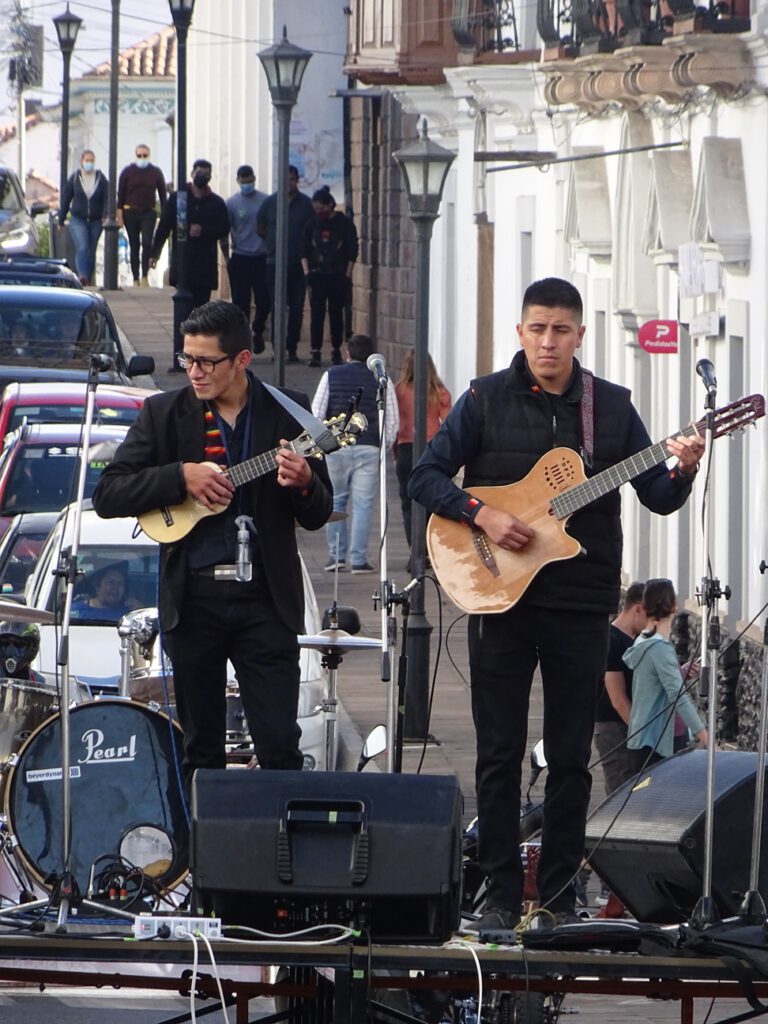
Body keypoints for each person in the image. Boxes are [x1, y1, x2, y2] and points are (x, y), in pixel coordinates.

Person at [408, 277, 705, 931]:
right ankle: (496, 892)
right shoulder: (483, 400)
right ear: (521, 332)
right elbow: (425, 474)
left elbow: (655, 492)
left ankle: (561, 895)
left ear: (579, 336)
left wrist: (683, 467)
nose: (549, 341)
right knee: (498, 751)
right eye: (538, 328)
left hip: (579, 603)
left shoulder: (612, 408)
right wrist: (480, 514)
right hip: (497, 601)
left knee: (571, 755)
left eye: (561, 330)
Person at [92, 299, 333, 783]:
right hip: (194, 597)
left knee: (280, 745)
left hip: (266, 598)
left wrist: (305, 480)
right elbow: (108, 493)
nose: (194, 372)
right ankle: (200, 857)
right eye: (187, 359)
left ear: (242, 360)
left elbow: (318, 512)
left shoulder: (289, 412)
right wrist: (179, 477)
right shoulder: (163, 413)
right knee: (200, 746)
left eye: (206, 362)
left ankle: (273, 854)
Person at [311, 333, 398, 574]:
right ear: (372, 355)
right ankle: (358, 559)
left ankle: (336, 557)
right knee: (363, 505)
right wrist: (382, 443)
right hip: (369, 446)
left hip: (336, 448)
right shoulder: (382, 379)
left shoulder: (331, 375)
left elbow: (316, 413)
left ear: (348, 353)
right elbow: (391, 420)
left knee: (336, 501)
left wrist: (323, 445)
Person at [150, 159, 230, 372]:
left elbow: (223, 228)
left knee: (201, 319)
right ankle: (182, 361)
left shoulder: (216, 203)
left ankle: (198, 358)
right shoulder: (178, 199)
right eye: (200, 172)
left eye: (207, 172)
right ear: (192, 173)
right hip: (183, 266)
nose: (203, 175)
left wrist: (203, 231)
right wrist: (154, 254)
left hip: (204, 267)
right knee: (183, 320)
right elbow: (165, 226)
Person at [624, 578, 708, 771]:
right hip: (658, 741)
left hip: (643, 737)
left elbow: (654, 682)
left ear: (644, 607)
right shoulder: (660, 649)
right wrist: (705, 736)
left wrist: (679, 671)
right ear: (674, 608)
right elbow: (679, 696)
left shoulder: (642, 642)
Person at [394, 350, 452, 550]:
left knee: (408, 502)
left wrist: (394, 452)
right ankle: (430, 548)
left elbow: (393, 424)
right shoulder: (439, 391)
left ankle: (415, 550)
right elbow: (448, 425)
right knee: (432, 500)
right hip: (431, 449)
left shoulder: (398, 390)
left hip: (405, 448)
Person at [257, 165, 314, 363]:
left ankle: (291, 348)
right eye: (285, 179)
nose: (288, 183)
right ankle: (277, 348)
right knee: (277, 307)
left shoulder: (306, 204)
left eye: (291, 179)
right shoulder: (270, 203)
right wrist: (274, 243)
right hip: (274, 262)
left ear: (297, 180)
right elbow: (261, 227)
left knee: (297, 308)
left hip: (298, 264)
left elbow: (311, 231)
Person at [594, 581, 646, 797]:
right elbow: (618, 700)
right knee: (620, 795)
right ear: (637, 609)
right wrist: (644, 734)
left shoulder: (633, 640)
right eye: (651, 615)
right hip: (615, 728)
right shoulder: (612, 640)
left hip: (628, 725)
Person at [301, 186, 359, 368]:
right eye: (316, 209)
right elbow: (304, 249)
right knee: (316, 313)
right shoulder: (312, 224)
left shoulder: (343, 223)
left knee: (336, 313)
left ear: (330, 205)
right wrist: (307, 273)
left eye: (321, 208)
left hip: (337, 275)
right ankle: (315, 351)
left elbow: (352, 251)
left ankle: (336, 349)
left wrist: (347, 275)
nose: (319, 212)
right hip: (317, 275)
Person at [222, 164, 269, 353]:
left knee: (265, 301)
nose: (247, 184)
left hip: (262, 258)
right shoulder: (232, 203)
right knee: (240, 303)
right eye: (244, 182)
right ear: (238, 181)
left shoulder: (264, 200)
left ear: (254, 179)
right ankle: (245, 340)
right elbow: (224, 231)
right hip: (241, 257)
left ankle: (257, 329)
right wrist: (227, 258)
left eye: (250, 181)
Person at [117, 143, 167, 287]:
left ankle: (145, 275)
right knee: (134, 244)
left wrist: (164, 214)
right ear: (136, 155)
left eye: (145, 155)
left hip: (148, 212)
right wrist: (119, 216)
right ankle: (135, 278)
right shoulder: (127, 172)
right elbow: (120, 196)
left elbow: (163, 195)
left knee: (147, 242)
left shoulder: (155, 172)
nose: (142, 158)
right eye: (140, 155)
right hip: (130, 212)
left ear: (149, 156)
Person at [58, 149, 109, 287]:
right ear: (82, 161)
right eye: (87, 160)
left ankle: (88, 279)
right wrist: (61, 219)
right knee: (82, 247)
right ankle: (82, 276)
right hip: (78, 219)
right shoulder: (75, 178)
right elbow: (66, 199)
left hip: (96, 220)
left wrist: (105, 214)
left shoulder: (100, 178)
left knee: (91, 250)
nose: (89, 163)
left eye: (92, 161)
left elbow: (107, 197)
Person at [73, 562, 138, 621]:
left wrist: (138, 610)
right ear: (97, 586)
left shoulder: (128, 614)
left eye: (120, 584)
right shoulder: (76, 611)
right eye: (110, 582)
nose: (115, 587)